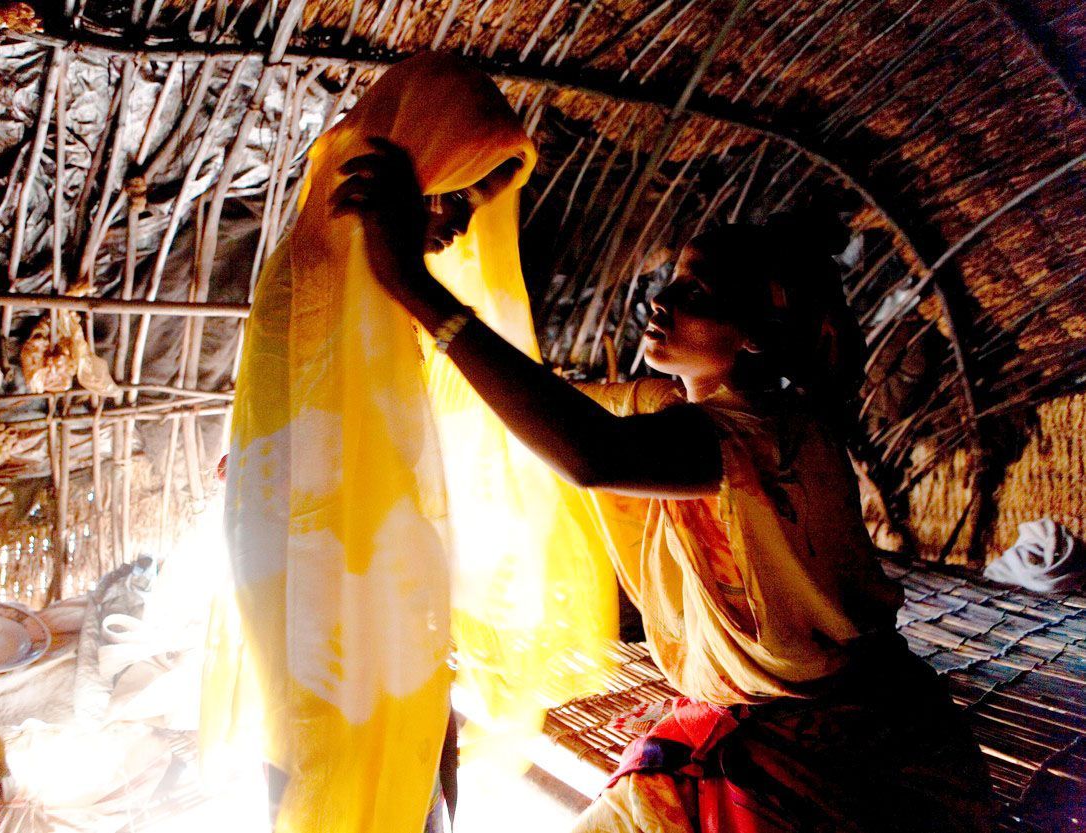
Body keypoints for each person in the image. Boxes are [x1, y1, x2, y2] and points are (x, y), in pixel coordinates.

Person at [334, 140, 998, 829]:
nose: (664, 300)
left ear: (753, 337)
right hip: (778, 717)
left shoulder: (754, 435)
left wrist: (412, 282)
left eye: (697, 294)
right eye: (673, 280)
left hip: (844, 750)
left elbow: (588, 452)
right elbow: (529, 412)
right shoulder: (674, 410)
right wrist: (340, 436)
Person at [210, 52, 619, 833]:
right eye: (457, 192)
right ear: (404, 168)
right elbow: (301, 466)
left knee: (407, 766)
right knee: (337, 764)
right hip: (323, 587)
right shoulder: (328, 278)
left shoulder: (380, 282)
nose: (465, 223)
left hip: (372, 577)